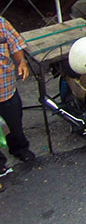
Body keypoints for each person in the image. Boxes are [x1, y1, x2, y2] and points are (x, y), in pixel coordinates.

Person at [0, 16, 35, 178]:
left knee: (15, 123)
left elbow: (16, 43)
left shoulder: (1, 23)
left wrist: (21, 62)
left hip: (5, 89)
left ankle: (20, 148)